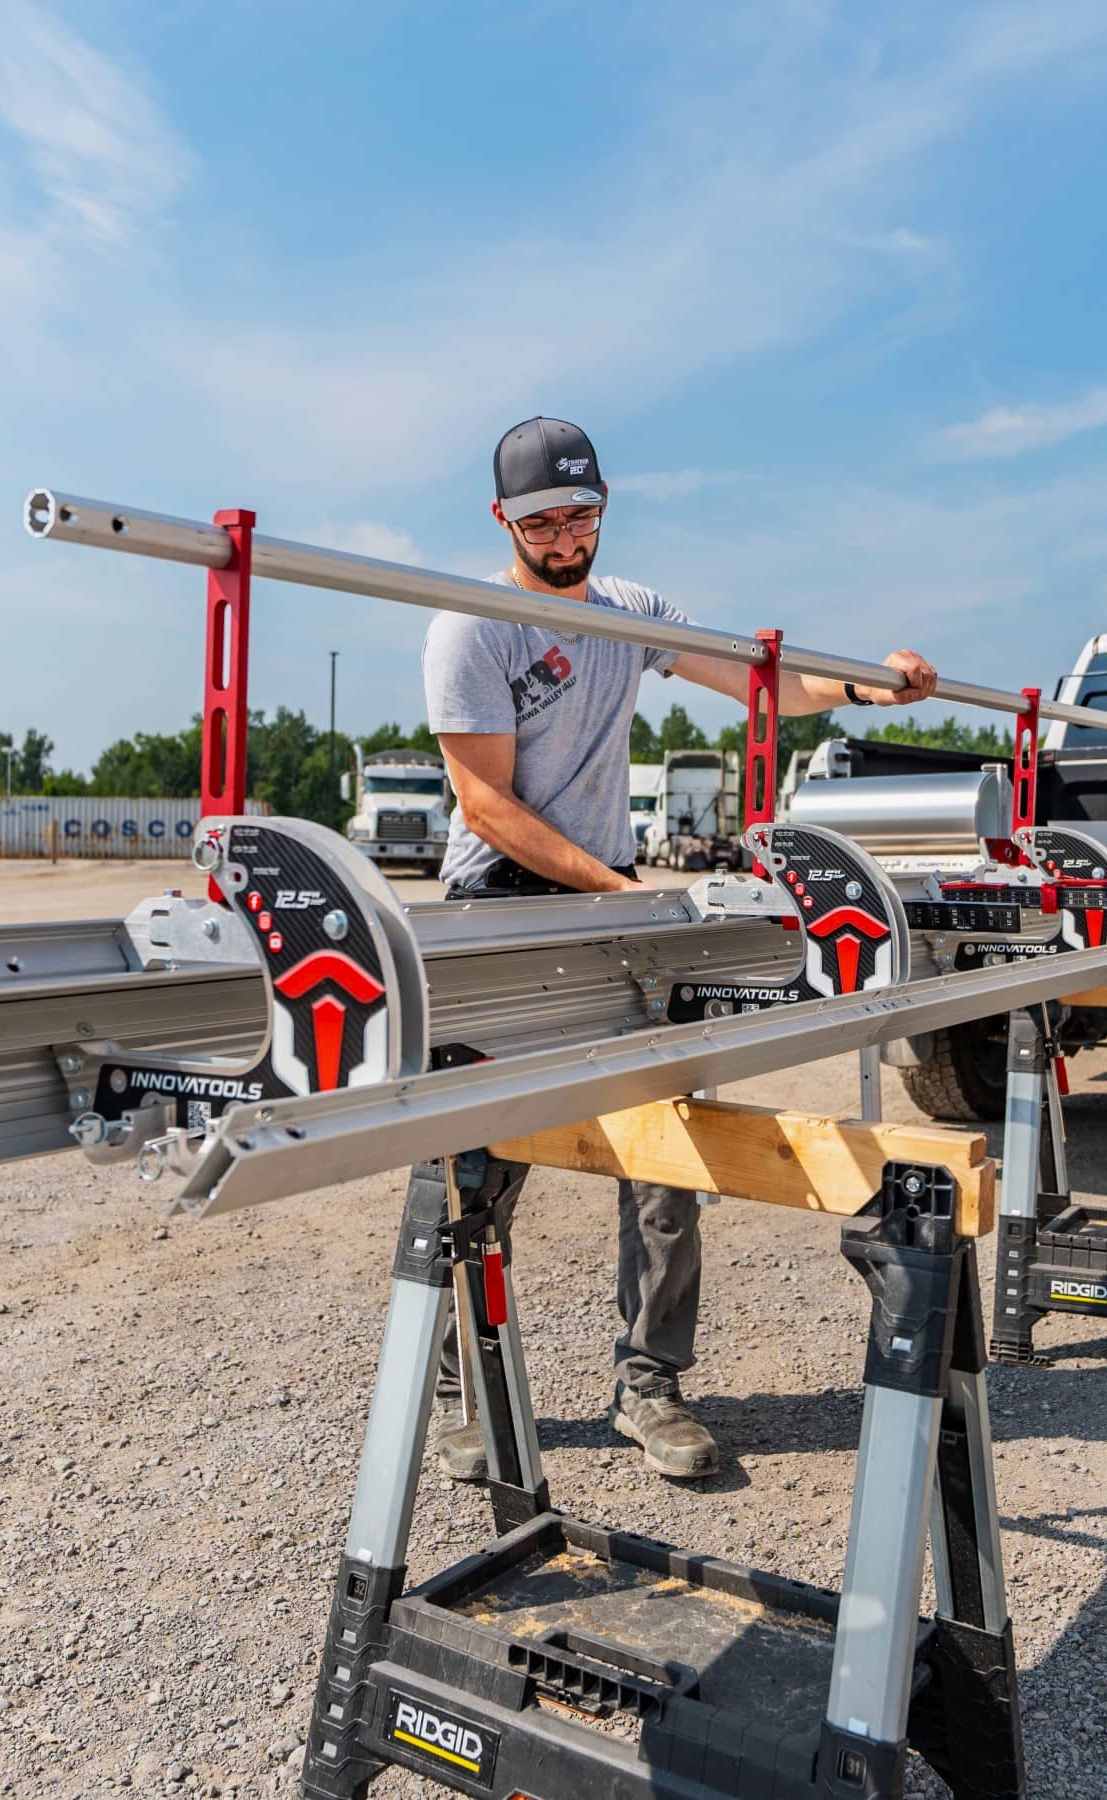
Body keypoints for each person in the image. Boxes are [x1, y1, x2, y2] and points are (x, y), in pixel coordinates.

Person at [418, 415, 937, 1482]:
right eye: (543, 521)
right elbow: (484, 800)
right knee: (473, 1156)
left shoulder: (630, 613)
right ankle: (463, 1386)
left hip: (612, 908)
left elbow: (755, 680)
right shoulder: (471, 626)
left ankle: (649, 1385)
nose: (566, 539)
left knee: (663, 1150)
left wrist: (862, 688)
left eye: (582, 516)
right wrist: (622, 890)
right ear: (503, 520)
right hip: (502, 912)